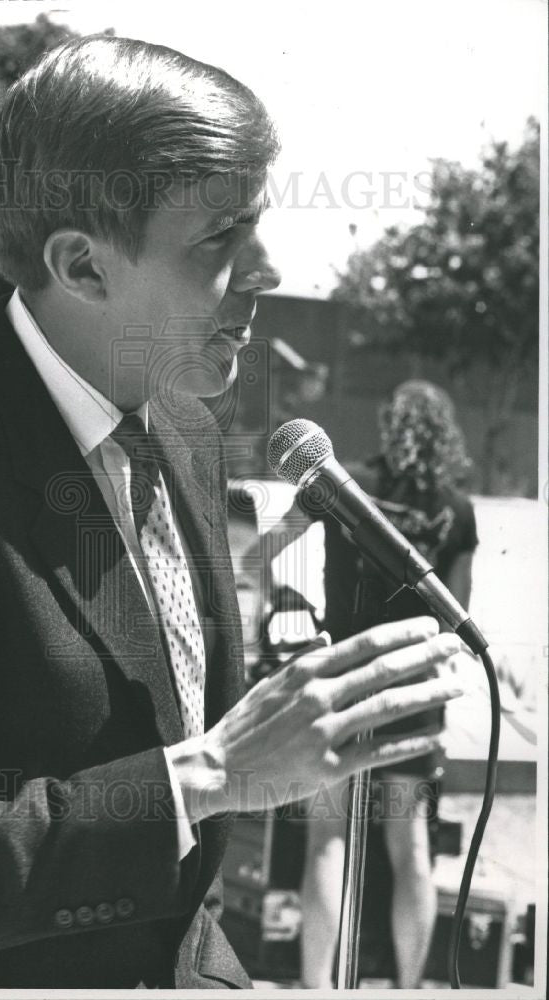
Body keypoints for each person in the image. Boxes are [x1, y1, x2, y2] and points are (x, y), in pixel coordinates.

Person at [0, 37, 464, 989]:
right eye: (220, 240)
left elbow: (151, 738)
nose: (265, 270)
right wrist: (213, 773)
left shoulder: (180, 425)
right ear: (83, 267)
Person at [299, 380, 478, 989]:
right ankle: (407, 989)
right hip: (414, 694)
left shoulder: (348, 484)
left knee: (328, 840)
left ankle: (316, 987)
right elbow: (459, 607)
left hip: (347, 679)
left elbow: (281, 540)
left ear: (389, 423)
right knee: (412, 852)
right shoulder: (460, 508)